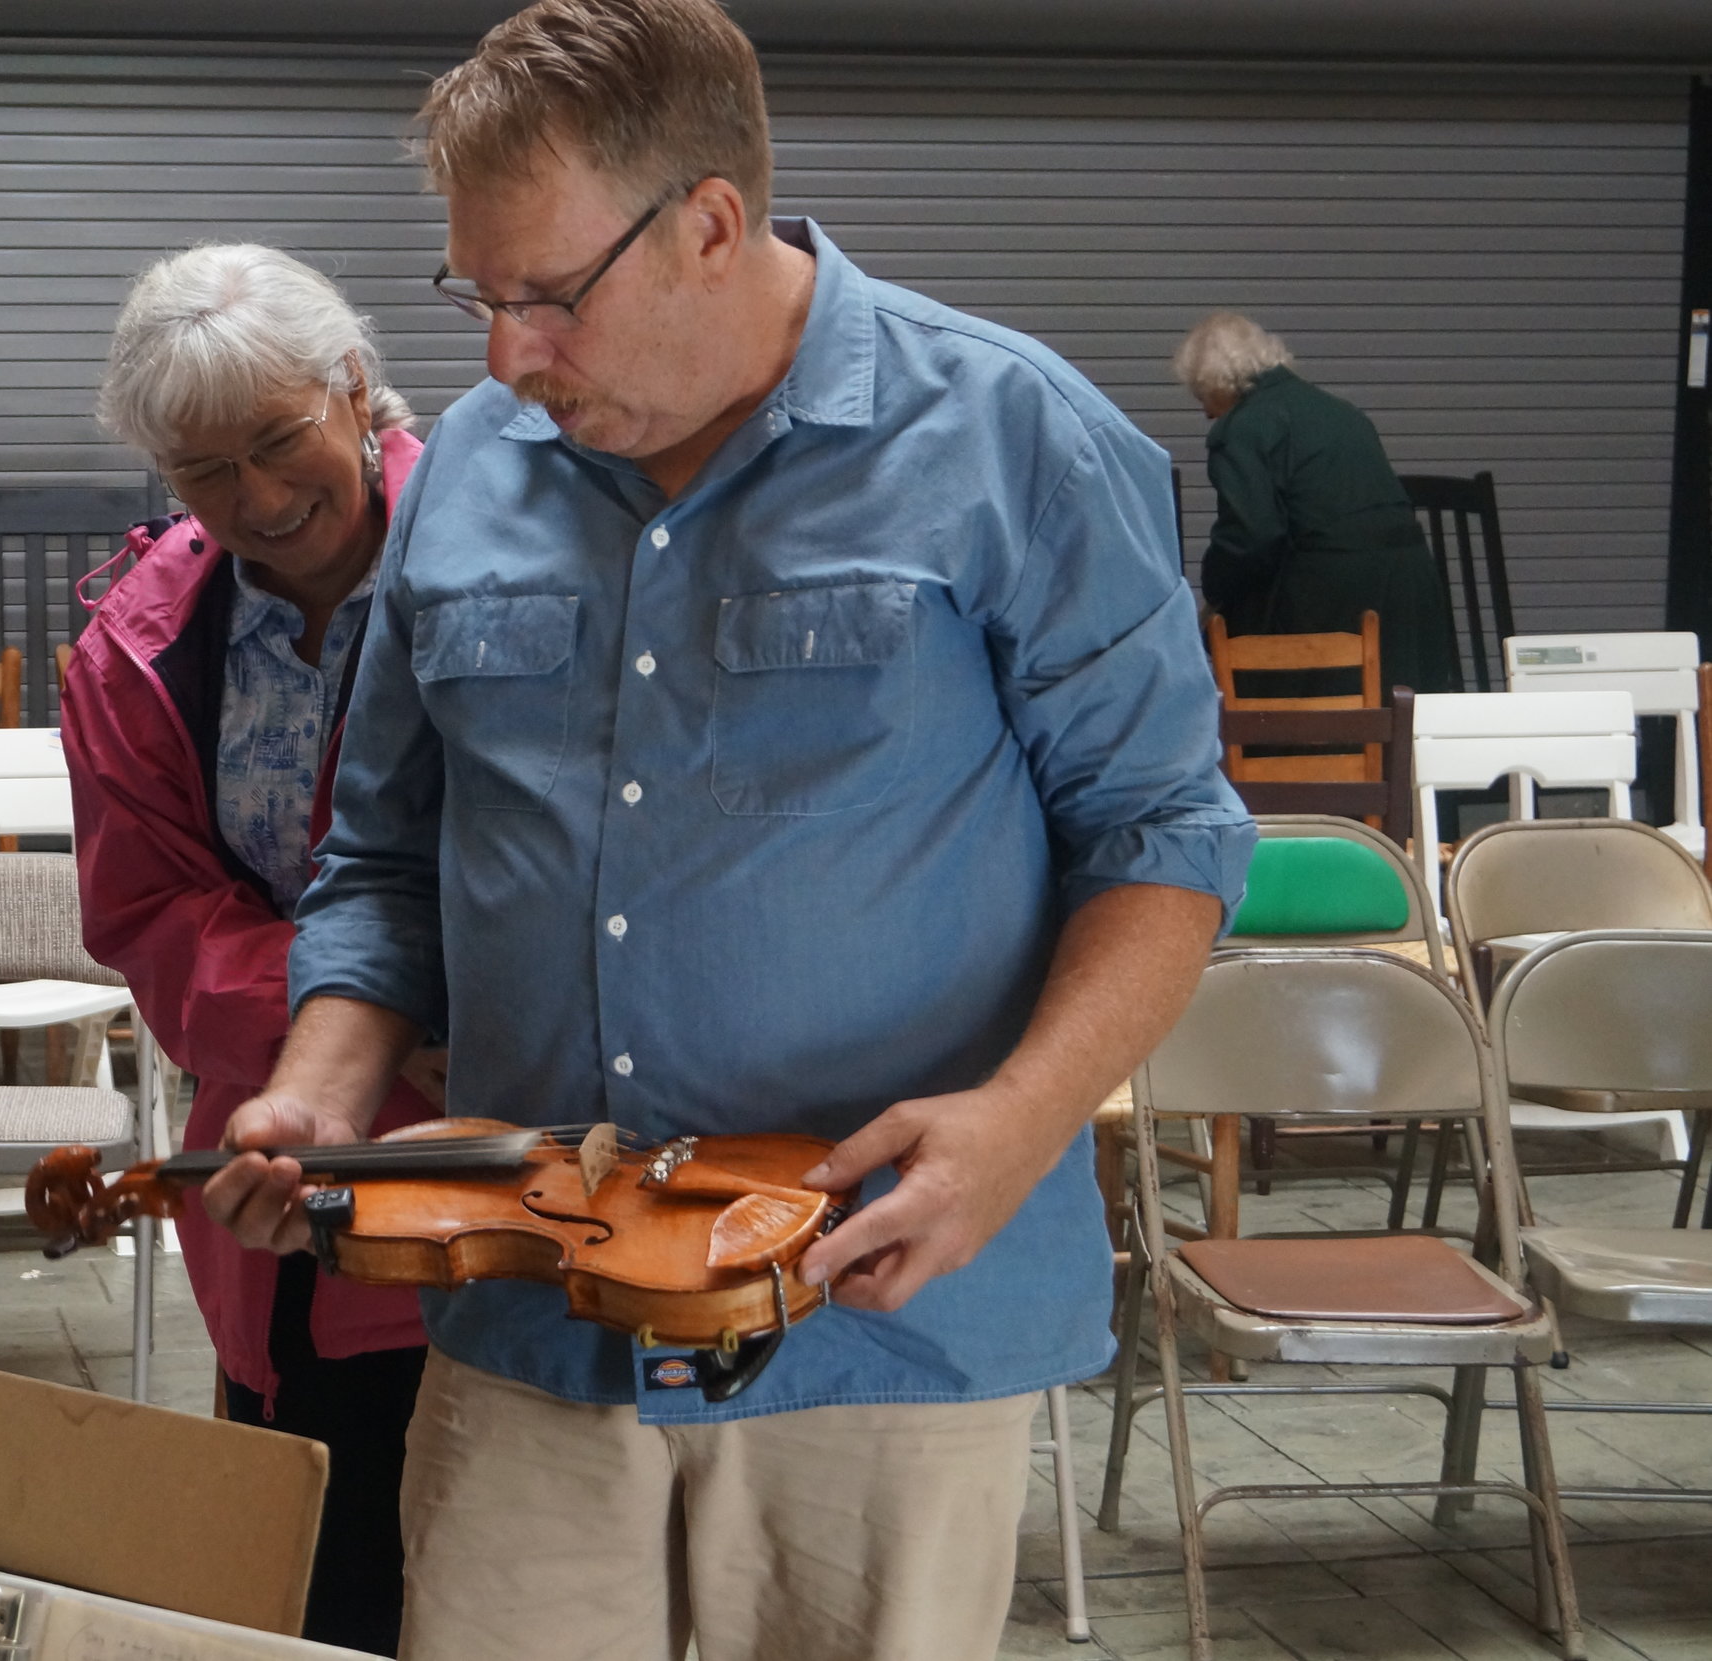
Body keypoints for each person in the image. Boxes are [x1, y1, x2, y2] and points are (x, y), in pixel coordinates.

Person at [198, 4, 1255, 1659]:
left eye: (547, 295)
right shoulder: (471, 471)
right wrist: (321, 1090)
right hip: (534, 1313)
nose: (503, 358)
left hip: (875, 1318)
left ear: (710, 222)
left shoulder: (1011, 436)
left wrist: (1017, 1125)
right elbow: (386, 858)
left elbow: (1165, 836)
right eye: (476, 298)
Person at [63, 245, 438, 1657]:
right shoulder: (140, 648)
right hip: (294, 1215)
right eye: (204, 471)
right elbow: (154, 922)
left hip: (524, 1191)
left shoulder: (515, 542)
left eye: (281, 441)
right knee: (322, 1606)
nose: (260, 501)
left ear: (353, 388)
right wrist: (379, 1010)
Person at [1176, 310, 1461, 696]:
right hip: (1412, 596)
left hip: (1335, 603)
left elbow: (1251, 539)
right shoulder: (1342, 412)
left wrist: (1212, 594)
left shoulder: (1244, 429)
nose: (1207, 413)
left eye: (1201, 395)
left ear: (1216, 382)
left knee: (1240, 643)